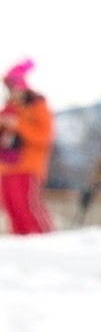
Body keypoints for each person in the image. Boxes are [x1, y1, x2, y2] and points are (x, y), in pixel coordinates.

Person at [0, 62, 51, 238]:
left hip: (29, 165)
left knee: (27, 207)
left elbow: (43, 137)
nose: (12, 91)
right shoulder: (8, 109)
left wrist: (18, 125)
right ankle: (20, 248)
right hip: (6, 167)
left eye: (15, 86)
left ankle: (45, 242)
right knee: (11, 208)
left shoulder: (37, 106)